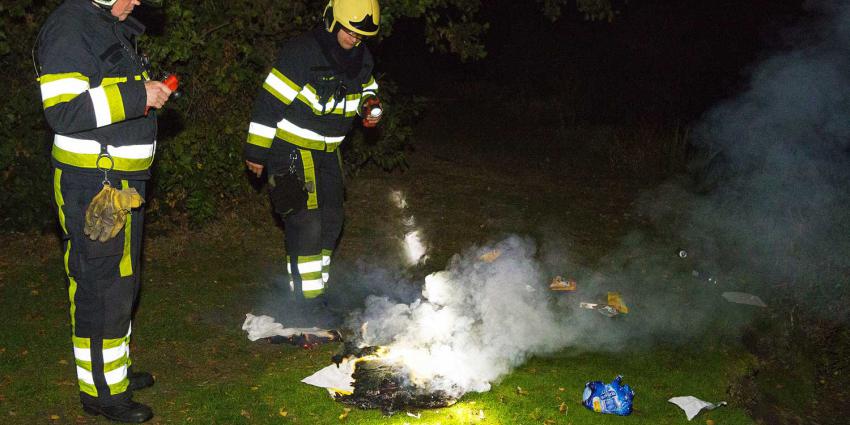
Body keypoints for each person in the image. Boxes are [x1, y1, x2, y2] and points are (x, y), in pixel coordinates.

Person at [36, 0, 172, 422]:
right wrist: (138, 95)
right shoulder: (69, 27)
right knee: (101, 289)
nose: (135, 4)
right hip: (93, 184)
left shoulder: (105, 24)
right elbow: (63, 111)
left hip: (120, 185)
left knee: (121, 285)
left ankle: (113, 373)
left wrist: (145, 95)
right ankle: (101, 393)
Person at [244, 0, 382, 306]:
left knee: (332, 220)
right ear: (332, 20)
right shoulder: (302, 53)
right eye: (350, 30)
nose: (355, 38)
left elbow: (367, 91)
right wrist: (256, 151)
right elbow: (269, 102)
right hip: (290, 150)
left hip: (328, 153)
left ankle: (316, 289)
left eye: (361, 34)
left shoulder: (362, 58)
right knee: (305, 222)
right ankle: (305, 303)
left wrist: (370, 107)